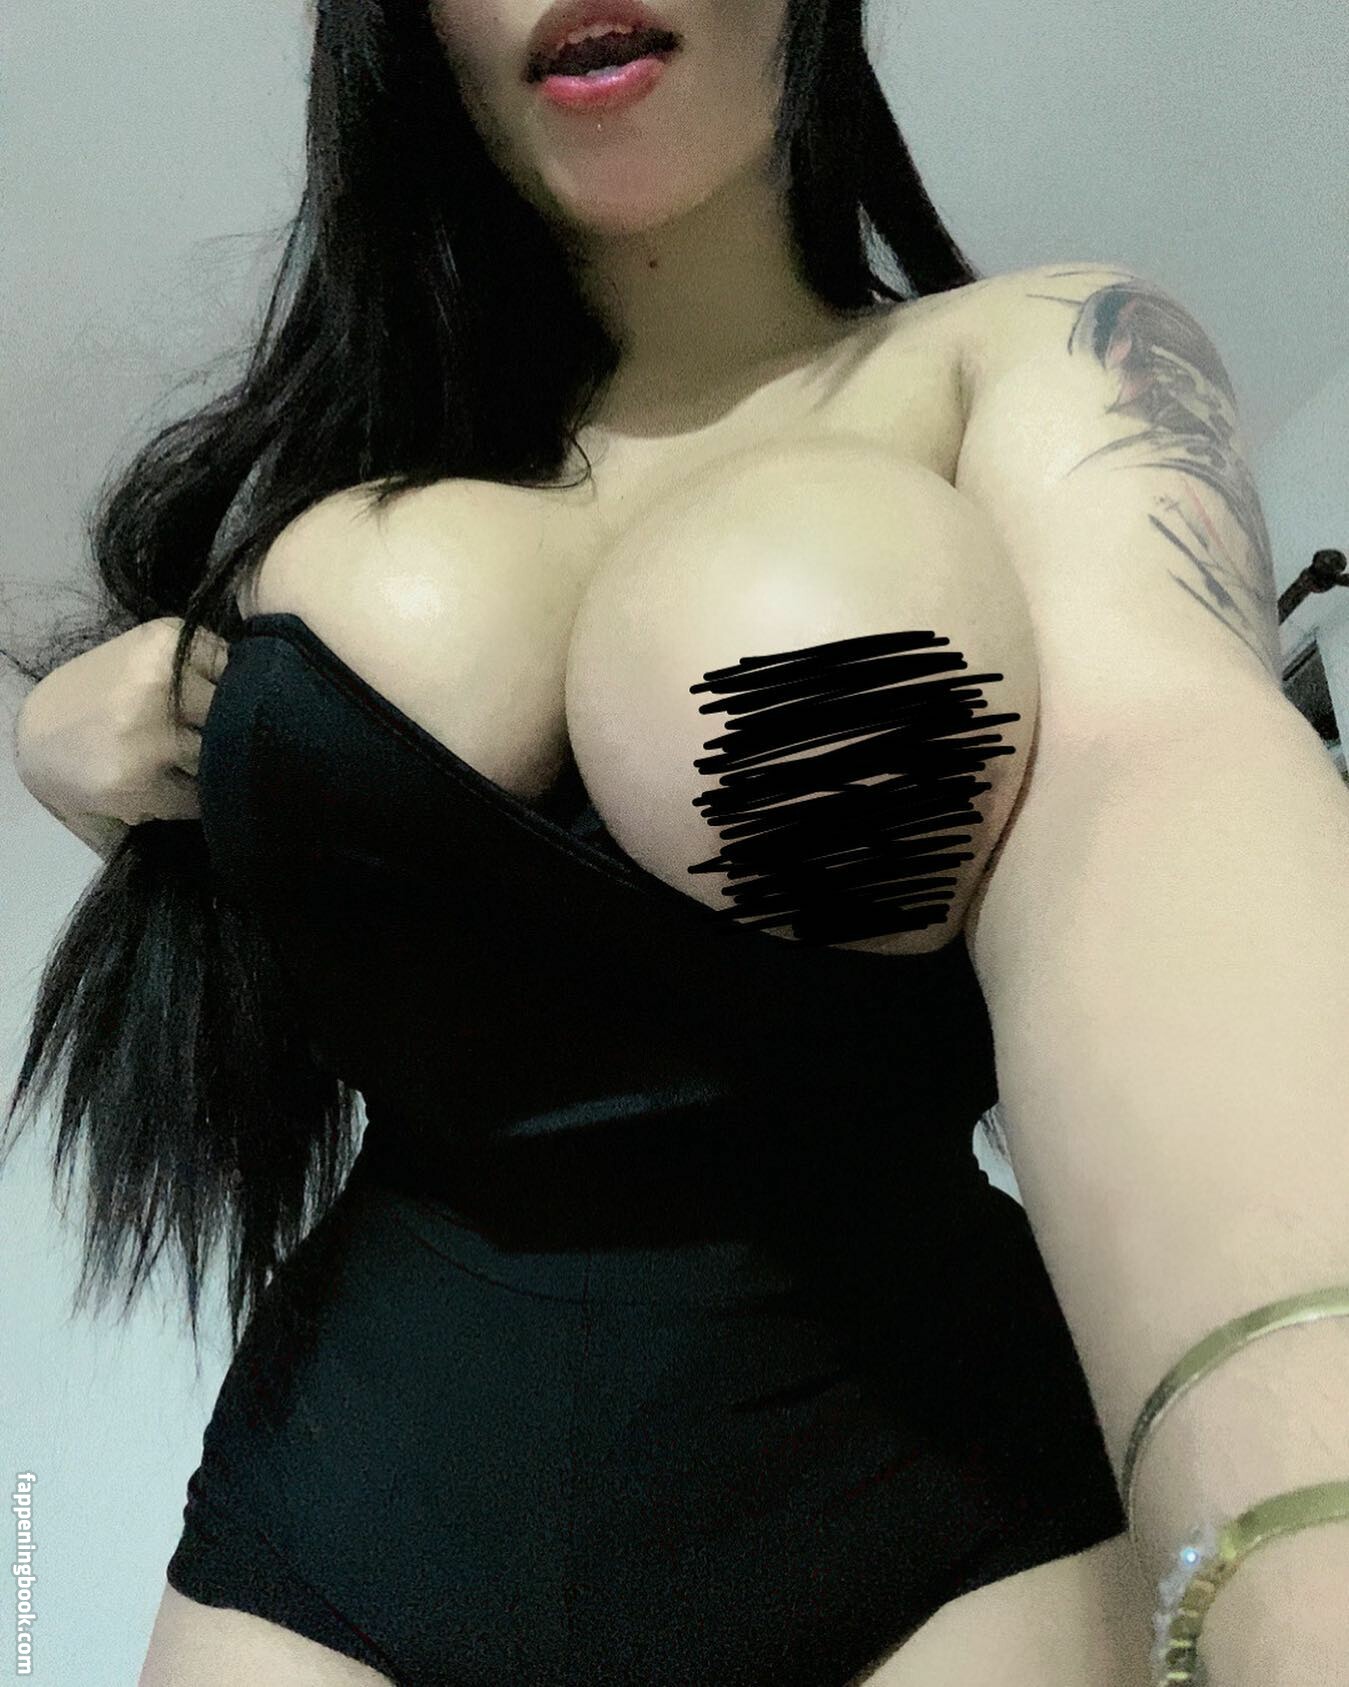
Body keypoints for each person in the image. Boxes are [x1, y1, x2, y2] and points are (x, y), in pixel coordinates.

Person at [17, 2, 1343, 1684]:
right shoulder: (334, 475)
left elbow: (1163, 780)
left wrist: (1298, 1541)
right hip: (346, 1503)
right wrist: (61, 740)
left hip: (929, 1518)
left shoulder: (1038, 361)